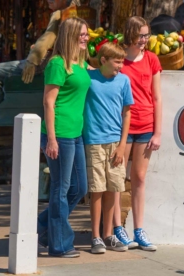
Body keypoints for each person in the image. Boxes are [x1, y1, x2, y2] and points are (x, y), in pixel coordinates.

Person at [37, 17, 91, 258]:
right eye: (81, 34)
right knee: (61, 189)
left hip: (76, 133)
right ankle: (59, 244)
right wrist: (51, 139)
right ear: (69, 35)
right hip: (59, 134)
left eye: (86, 34)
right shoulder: (57, 64)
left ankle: (43, 225)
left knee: (79, 188)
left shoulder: (79, 63)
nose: (86, 37)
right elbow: (49, 102)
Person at [113, 16, 162, 251]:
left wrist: (157, 131)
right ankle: (116, 227)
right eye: (140, 35)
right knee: (117, 177)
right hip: (122, 125)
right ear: (130, 34)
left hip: (145, 125)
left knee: (139, 178)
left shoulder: (152, 59)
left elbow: (157, 96)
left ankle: (139, 229)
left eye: (147, 35)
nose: (144, 40)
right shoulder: (119, 58)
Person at [82, 42, 134, 254]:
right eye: (117, 61)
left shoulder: (123, 81)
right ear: (103, 60)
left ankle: (108, 234)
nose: (121, 66)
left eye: (122, 62)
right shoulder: (89, 79)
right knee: (97, 189)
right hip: (94, 141)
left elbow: (127, 112)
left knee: (114, 188)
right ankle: (95, 236)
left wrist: (123, 145)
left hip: (115, 142)